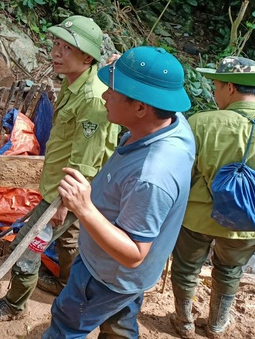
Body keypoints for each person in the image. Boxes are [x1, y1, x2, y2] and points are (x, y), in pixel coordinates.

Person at [41, 46, 196, 338]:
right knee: (120, 324)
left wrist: (84, 207)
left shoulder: (151, 175)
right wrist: (127, 69)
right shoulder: (174, 125)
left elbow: (134, 252)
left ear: (140, 108)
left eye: (112, 91)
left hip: (106, 274)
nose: (103, 96)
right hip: (131, 280)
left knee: (67, 323)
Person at [0, 15, 119, 322]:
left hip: (66, 192)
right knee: (68, 240)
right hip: (67, 189)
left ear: (87, 56)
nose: (56, 52)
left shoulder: (93, 99)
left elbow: (85, 161)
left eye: (66, 48)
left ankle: (13, 306)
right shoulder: (74, 84)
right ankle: (66, 282)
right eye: (55, 44)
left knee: (28, 245)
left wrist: (62, 205)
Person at [169, 56, 255, 339]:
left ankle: (184, 321)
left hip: (198, 217)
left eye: (215, 85)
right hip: (250, 223)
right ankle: (217, 325)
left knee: (186, 267)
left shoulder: (202, 122)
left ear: (229, 87)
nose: (214, 92)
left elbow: (182, 173)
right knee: (230, 270)